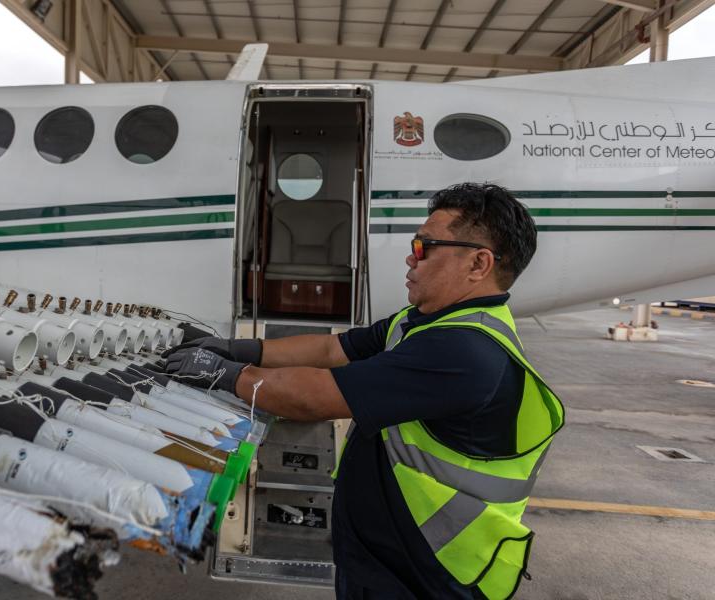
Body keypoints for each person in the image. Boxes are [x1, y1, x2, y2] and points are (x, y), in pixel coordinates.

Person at [162, 183, 564, 600]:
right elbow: (331, 348)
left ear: (479, 264)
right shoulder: (422, 322)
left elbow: (315, 396)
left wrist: (226, 373)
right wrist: (236, 348)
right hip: (391, 557)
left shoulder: (465, 350)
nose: (412, 257)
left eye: (425, 246)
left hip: (431, 574)